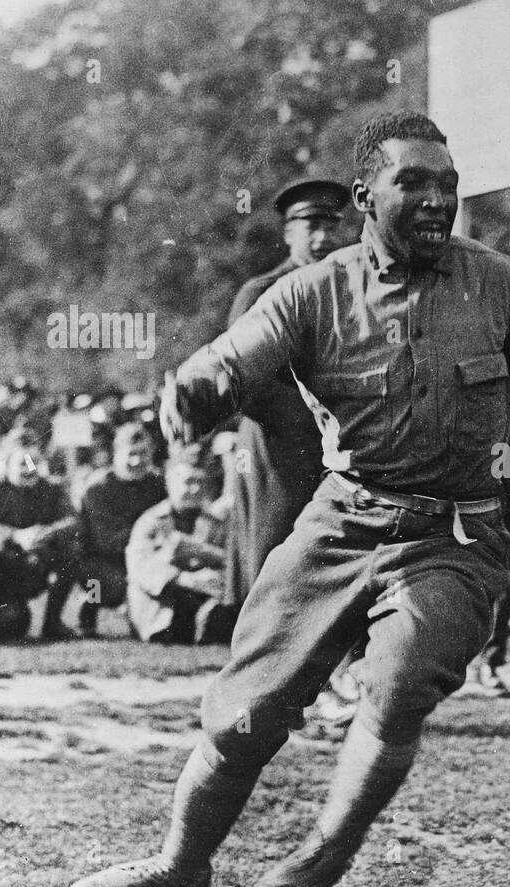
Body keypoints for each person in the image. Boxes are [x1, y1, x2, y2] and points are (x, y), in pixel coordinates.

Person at [66, 110, 510, 887]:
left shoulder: (502, 286)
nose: (435, 199)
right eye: (412, 181)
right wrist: (195, 392)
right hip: (341, 523)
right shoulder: (309, 293)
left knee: (399, 680)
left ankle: (321, 856)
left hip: (457, 534)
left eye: (447, 185)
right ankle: (180, 865)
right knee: (245, 714)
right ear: (365, 196)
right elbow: (230, 359)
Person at [223, 177, 358, 607]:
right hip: (276, 448)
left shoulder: (352, 295)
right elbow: (242, 381)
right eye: (310, 227)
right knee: (272, 559)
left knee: (332, 562)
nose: (323, 238)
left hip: (339, 450)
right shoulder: (260, 292)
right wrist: (315, 420)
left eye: (332, 226)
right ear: (288, 234)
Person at [0, 424, 81, 643]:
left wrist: (45, 534)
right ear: (6, 463)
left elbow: (73, 522)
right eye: (22, 463)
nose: (29, 469)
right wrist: (14, 536)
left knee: (72, 551)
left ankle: (53, 622)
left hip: (33, 567)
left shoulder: (52, 488)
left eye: (34, 462)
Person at [125, 447, 236, 645]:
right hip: (163, 598)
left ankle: (209, 622)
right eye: (188, 482)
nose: (195, 489)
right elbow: (140, 568)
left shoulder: (216, 522)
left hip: (204, 593)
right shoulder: (151, 521)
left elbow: (232, 560)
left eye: (200, 482)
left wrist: (203, 555)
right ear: (170, 482)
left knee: (221, 603)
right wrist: (183, 578)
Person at [74, 422, 166, 636]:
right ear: (116, 453)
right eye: (131, 453)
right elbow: (105, 540)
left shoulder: (157, 484)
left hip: (141, 555)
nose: (137, 461)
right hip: (101, 561)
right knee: (112, 585)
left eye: (143, 453)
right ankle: (89, 608)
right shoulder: (98, 488)